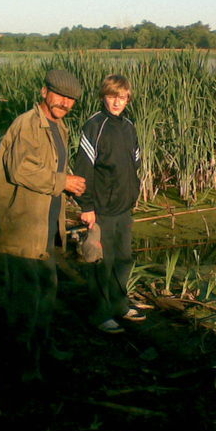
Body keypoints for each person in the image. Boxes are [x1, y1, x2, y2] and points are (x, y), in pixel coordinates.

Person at [0, 67, 86, 380]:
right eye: (59, 95)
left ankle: (43, 346)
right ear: (44, 92)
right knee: (24, 299)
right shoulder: (27, 125)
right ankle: (24, 364)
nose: (65, 103)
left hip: (45, 226)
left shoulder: (60, 127)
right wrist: (64, 182)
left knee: (47, 290)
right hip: (22, 226)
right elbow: (21, 171)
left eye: (70, 99)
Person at [73, 74, 143, 334]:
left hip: (124, 207)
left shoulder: (129, 126)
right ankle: (101, 314)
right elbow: (83, 168)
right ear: (104, 97)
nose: (117, 102)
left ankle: (120, 305)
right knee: (102, 261)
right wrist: (86, 206)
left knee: (123, 259)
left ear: (128, 99)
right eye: (112, 96)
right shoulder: (95, 125)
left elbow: (136, 161)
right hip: (101, 208)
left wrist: (132, 192)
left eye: (122, 97)